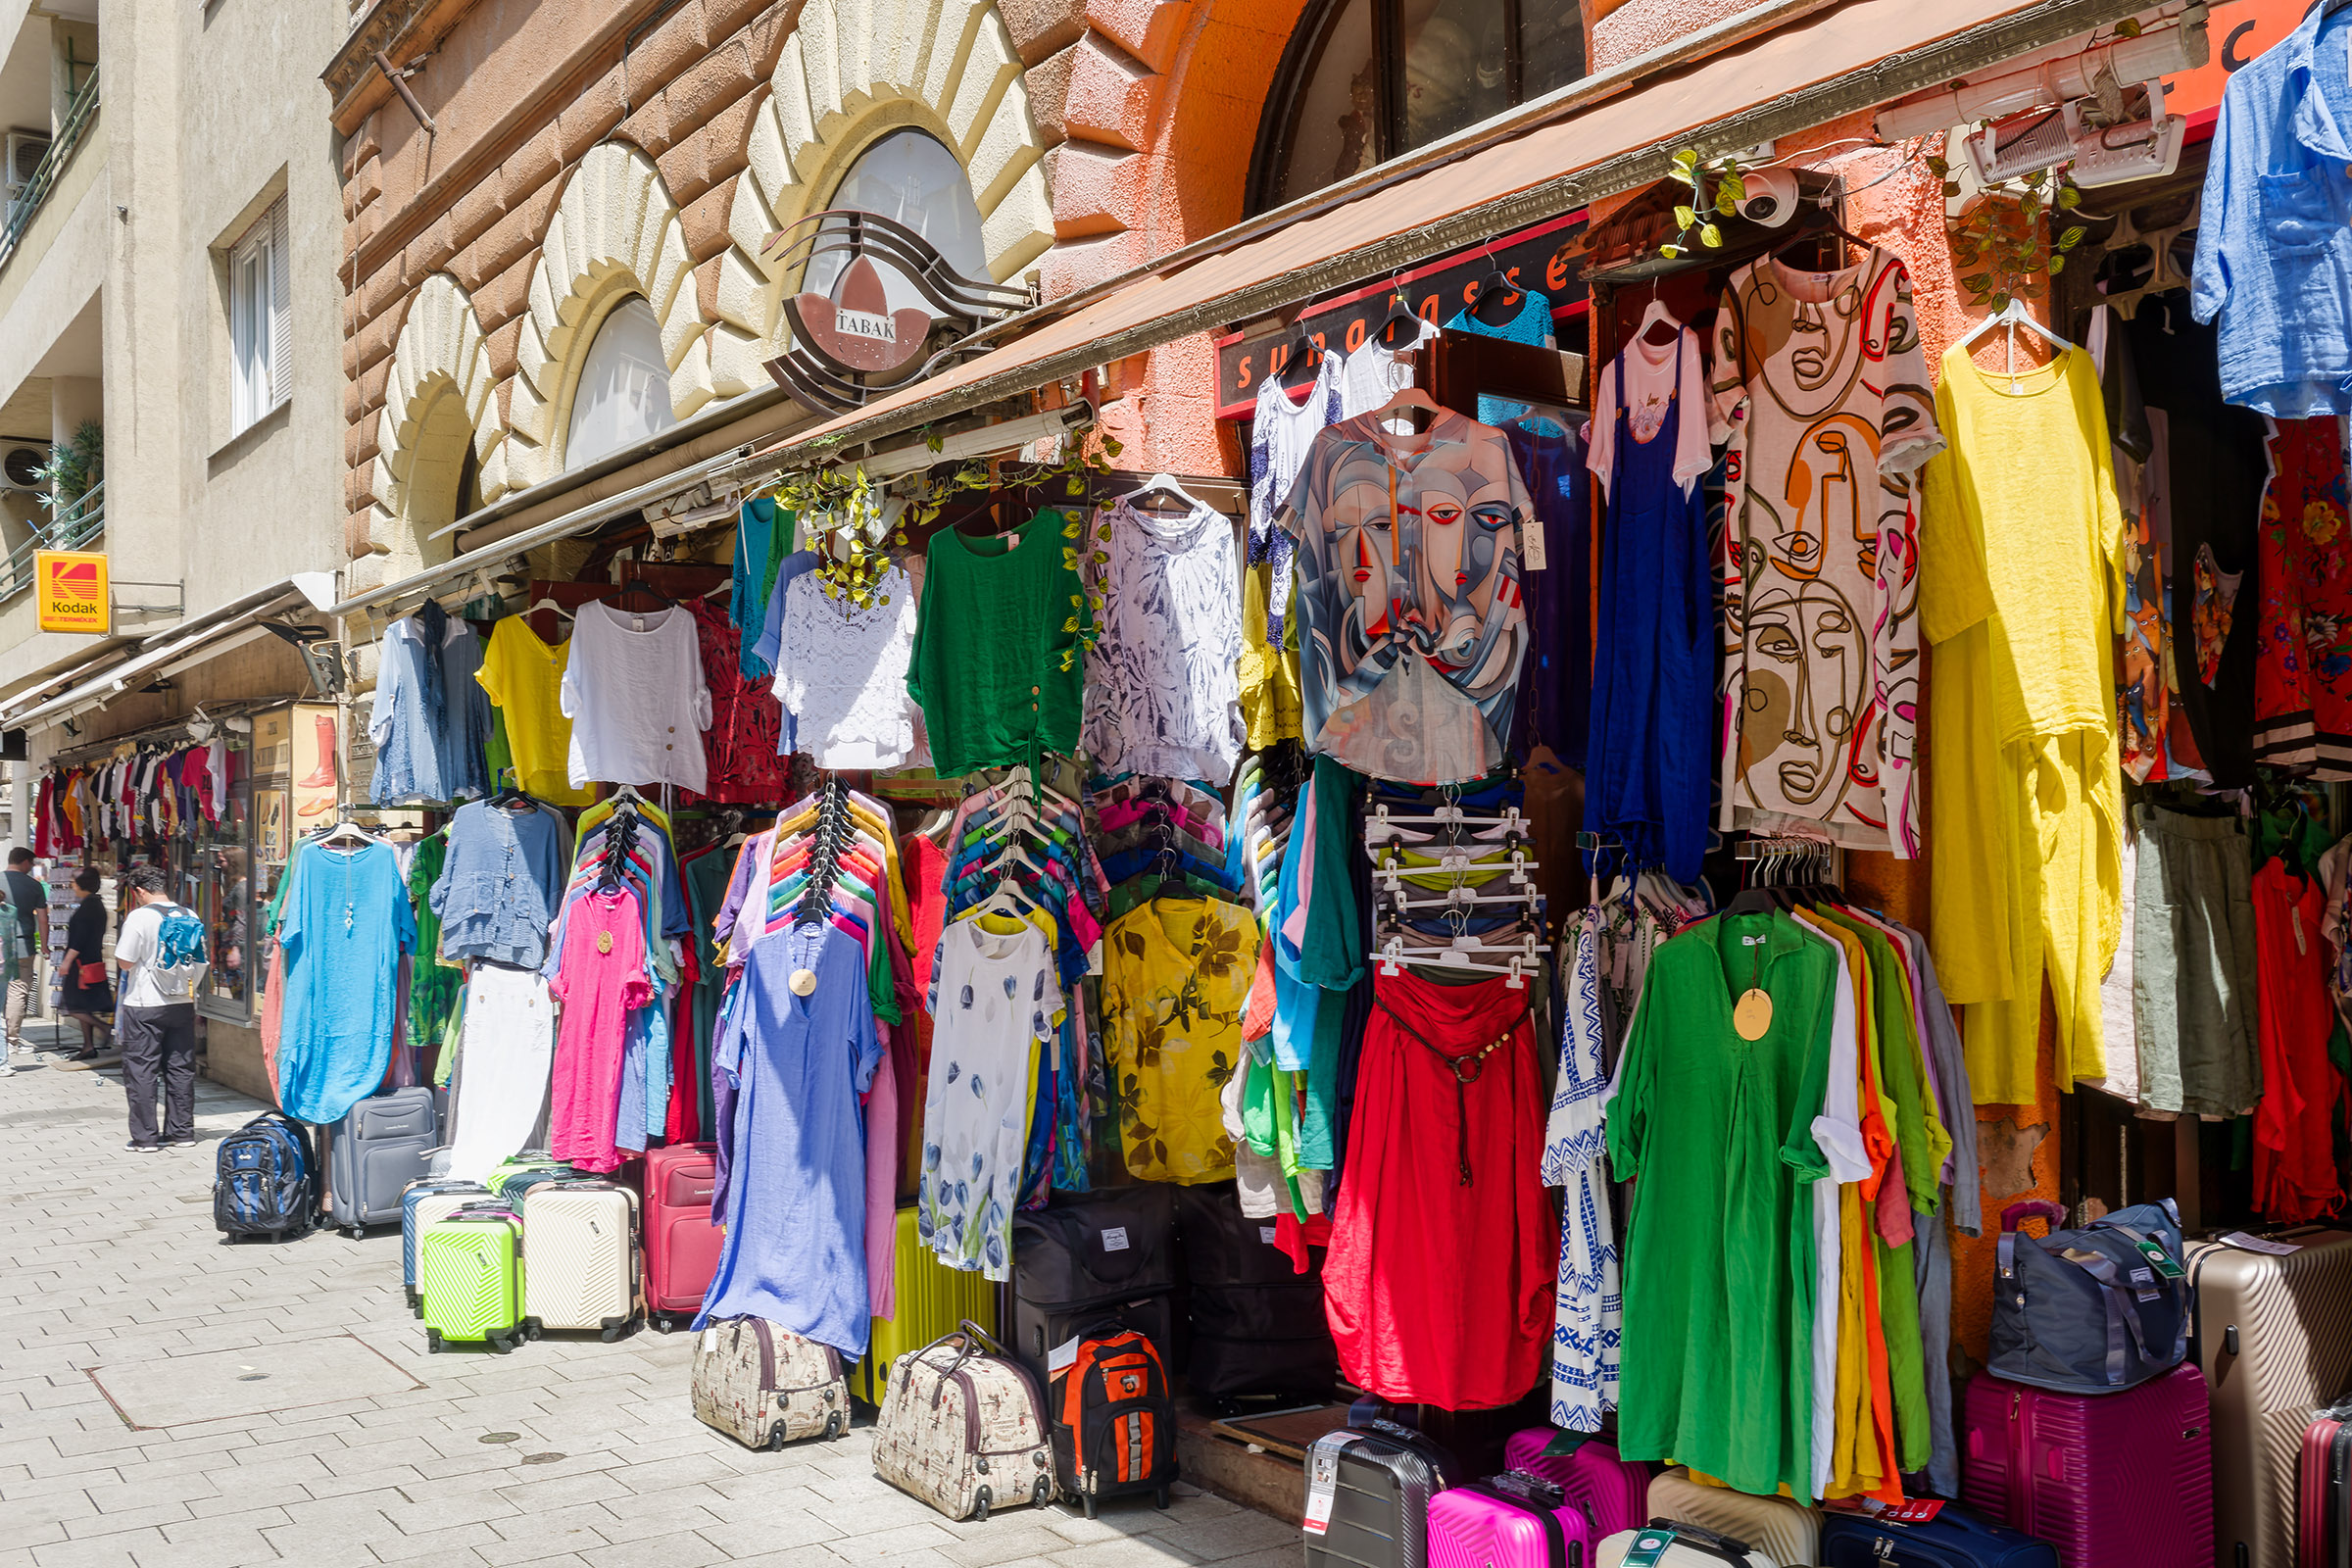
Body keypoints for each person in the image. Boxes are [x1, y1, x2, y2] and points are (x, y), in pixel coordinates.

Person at [114, 866, 210, 1152]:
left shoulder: (139, 917)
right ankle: (182, 1133)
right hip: (182, 1003)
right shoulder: (189, 914)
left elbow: (125, 961)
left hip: (145, 1003)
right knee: (180, 1068)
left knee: (142, 1070)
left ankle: (145, 1138)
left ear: (139, 891)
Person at [59, 868, 113, 1060]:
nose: (72, 885)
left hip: (81, 964)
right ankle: (88, 1046)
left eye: (73, 882)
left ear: (83, 884)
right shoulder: (95, 904)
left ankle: (103, 1027)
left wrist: (66, 962)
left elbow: (79, 940)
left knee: (74, 1005)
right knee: (83, 1005)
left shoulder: (89, 907)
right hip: (91, 960)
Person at [5, 848, 47, 1061]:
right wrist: (45, 946)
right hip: (23, 946)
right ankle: (11, 1041)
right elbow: (43, 919)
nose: (31, 868)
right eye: (31, 864)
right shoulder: (34, 886)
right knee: (18, 991)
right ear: (24, 862)